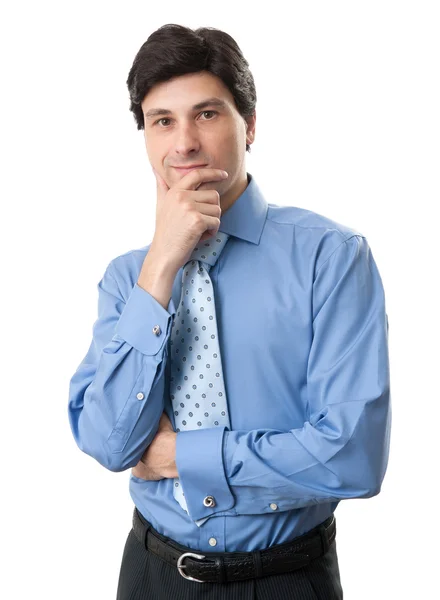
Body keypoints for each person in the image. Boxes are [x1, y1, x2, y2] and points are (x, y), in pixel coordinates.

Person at [67, 23, 391, 600]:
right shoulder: (129, 280)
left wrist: (183, 456)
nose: (184, 142)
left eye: (207, 114)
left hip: (288, 579)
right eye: (162, 121)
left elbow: (352, 455)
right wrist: (161, 269)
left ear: (252, 124)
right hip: (152, 576)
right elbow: (107, 443)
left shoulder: (330, 259)